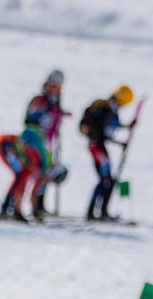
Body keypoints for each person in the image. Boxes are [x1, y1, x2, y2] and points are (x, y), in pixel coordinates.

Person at [79, 86, 135, 221]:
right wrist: (119, 141)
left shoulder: (111, 111)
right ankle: (94, 212)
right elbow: (102, 131)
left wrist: (126, 128)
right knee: (105, 180)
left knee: (108, 180)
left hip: (99, 146)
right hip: (96, 146)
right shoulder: (104, 108)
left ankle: (101, 211)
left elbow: (108, 130)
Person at [23, 71, 69, 219]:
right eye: (53, 86)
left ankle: (40, 206)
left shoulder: (55, 101)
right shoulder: (40, 100)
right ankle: (33, 206)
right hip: (36, 142)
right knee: (38, 173)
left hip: (48, 143)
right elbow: (30, 120)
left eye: (58, 87)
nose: (55, 89)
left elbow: (54, 120)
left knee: (47, 173)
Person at [0, 124, 49, 222]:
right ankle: (6, 209)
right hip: (4, 142)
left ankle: (13, 210)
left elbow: (31, 192)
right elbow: (33, 195)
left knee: (22, 177)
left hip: (8, 142)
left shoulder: (40, 169)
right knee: (20, 177)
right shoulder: (40, 168)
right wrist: (36, 212)